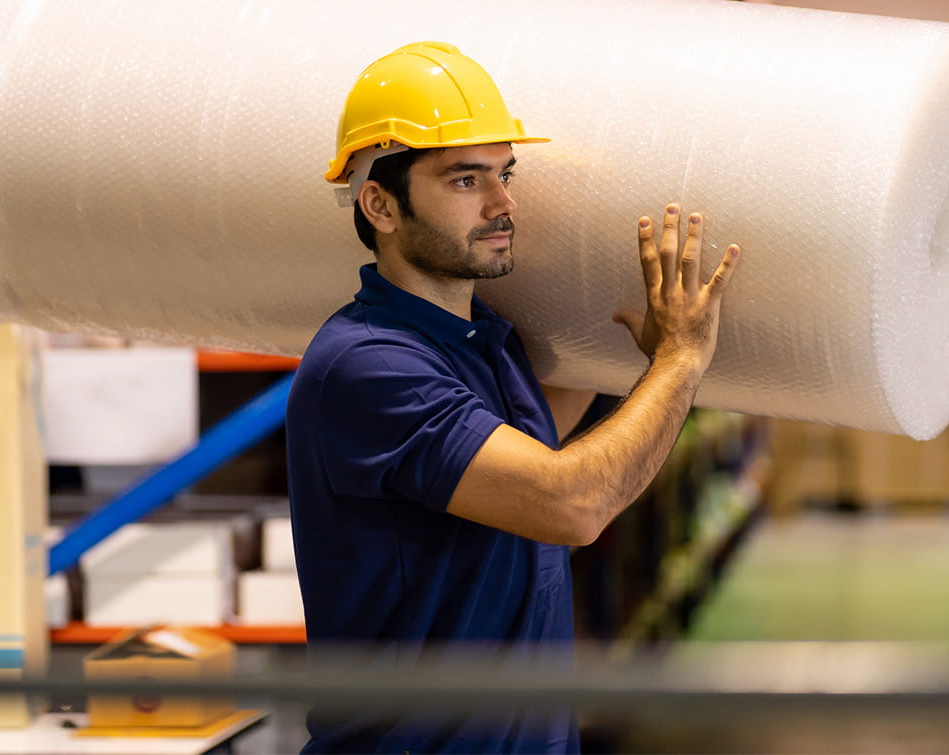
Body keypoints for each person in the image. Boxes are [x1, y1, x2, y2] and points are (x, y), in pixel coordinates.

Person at [285, 41, 740, 754]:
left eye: (505, 174)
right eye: (467, 180)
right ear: (380, 203)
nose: (504, 204)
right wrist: (680, 360)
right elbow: (570, 501)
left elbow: (537, 451)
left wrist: (642, 357)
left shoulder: (480, 340)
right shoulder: (368, 365)